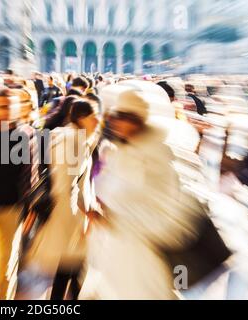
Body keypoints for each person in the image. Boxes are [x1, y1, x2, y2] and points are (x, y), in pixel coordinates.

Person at [83, 90, 202, 299]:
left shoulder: (158, 162)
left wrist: (113, 220)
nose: (117, 123)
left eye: (124, 117)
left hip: (142, 267)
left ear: (138, 121)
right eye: (115, 116)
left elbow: (167, 221)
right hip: (113, 261)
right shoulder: (119, 152)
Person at [20, 99, 101, 300]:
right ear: (82, 118)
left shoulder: (69, 136)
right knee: (72, 266)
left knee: (69, 269)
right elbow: (67, 182)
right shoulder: (74, 140)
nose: (98, 121)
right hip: (68, 214)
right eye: (94, 116)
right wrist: (86, 211)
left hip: (69, 212)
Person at [0, 88, 38, 300]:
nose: (7, 110)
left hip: (11, 208)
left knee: (6, 263)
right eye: (1, 105)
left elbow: (30, 173)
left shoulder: (26, 133)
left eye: (10, 105)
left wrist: (30, 205)